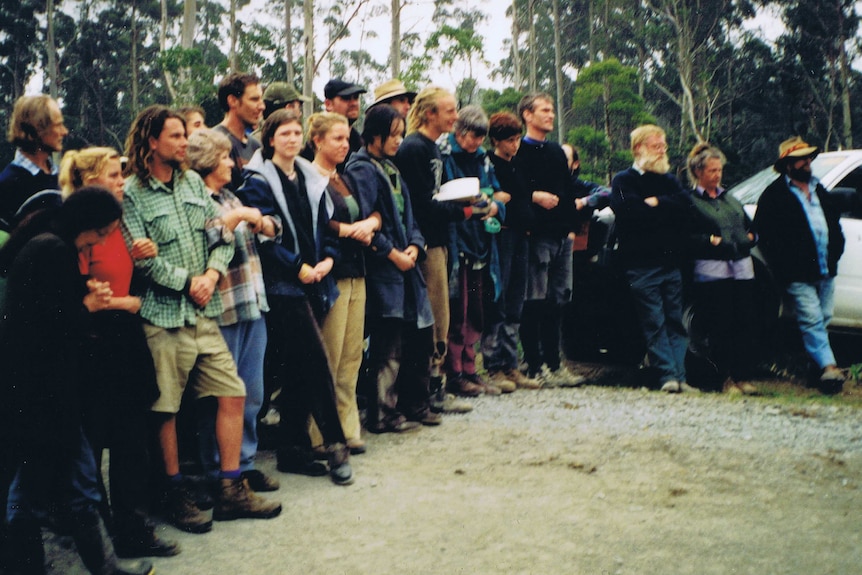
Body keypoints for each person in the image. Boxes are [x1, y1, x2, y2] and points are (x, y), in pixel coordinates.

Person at [122, 105, 281, 533]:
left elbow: (219, 235)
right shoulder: (132, 193)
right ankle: (172, 493)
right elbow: (141, 257)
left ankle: (230, 489)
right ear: (152, 142)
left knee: (232, 393)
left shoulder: (193, 182)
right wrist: (187, 280)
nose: (183, 143)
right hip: (162, 316)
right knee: (166, 408)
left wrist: (210, 274)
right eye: (174, 136)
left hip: (203, 312)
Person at [0, 187, 154, 575]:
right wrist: (89, 305)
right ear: (87, 225)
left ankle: (40, 564)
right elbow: (54, 324)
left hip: (33, 392)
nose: (100, 241)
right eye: (101, 233)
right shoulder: (56, 250)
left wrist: (85, 294)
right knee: (58, 484)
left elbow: (42, 305)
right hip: (47, 394)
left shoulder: (44, 242)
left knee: (39, 485)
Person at [58, 148, 181, 558]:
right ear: (91, 180)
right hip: (97, 343)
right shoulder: (79, 230)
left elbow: (121, 277)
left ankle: (130, 528)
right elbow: (80, 294)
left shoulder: (119, 223)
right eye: (113, 175)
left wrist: (140, 256)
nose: (121, 181)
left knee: (131, 439)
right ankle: (100, 532)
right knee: (96, 443)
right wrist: (124, 304)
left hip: (126, 338)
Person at [236, 109, 354, 485]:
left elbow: (326, 226)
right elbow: (262, 236)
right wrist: (297, 266)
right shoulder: (256, 180)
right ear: (270, 139)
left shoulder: (309, 176)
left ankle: (293, 448)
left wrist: (328, 259)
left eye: (296, 132)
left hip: (314, 279)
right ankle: (336, 446)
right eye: (283, 132)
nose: (291, 138)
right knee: (314, 361)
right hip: (280, 284)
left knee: (292, 367)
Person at [186, 128, 282, 494]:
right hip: (220, 309)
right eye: (225, 156)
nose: (232, 162)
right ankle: (217, 469)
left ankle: (243, 464)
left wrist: (260, 219)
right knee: (220, 395)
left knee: (252, 392)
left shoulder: (229, 196)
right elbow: (209, 238)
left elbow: (274, 228)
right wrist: (242, 216)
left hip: (251, 305)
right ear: (208, 161)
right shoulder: (197, 201)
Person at [343, 104, 434, 432]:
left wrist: (414, 245)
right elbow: (364, 222)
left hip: (405, 269)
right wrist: (392, 253)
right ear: (374, 137)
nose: (398, 141)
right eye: (392, 135)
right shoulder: (363, 170)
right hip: (384, 273)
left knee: (411, 340)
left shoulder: (390, 168)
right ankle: (382, 414)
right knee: (387, 347)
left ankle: (406, 407)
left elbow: (409, 218)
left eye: (401, 134)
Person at [306, 112, 381, 452]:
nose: (344, 144)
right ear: (317, 140)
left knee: (351, 354)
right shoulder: (307, 178)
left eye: (347, 139)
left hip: (357, 270)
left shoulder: (345, 177)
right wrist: (349, 230)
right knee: (329, 354)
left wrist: (371, 224)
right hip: (331, 275)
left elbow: (373, 210)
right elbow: (318, 222)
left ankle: (348, 426)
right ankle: (318, 432)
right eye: (337, 138)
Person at [753, 136, 846, 393]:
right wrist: (785, 266)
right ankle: (829, 368)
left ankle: (816, 374)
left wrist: (835, 253)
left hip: (825, 269)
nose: (807, 162)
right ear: (787, 164)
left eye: (808, 158)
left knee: (824, 317)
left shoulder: (820, 190)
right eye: (801, 159)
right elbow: (766, 236)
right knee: (812, 318)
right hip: (796, 274)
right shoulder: (774, 195)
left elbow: (835, 227)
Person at [610, 124, 694, 393]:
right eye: (657, 146)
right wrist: (664, 208)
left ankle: (680, 378)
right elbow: (629, 212)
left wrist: (656, 203)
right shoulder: (623, 181)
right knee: (654, 322)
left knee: (676, 323)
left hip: (671, 263)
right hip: (640, 265)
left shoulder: (669, 180)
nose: (662, 151)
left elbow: (687, 205)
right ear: (638, 149)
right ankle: (667, 376)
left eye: (663, 146)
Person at [439, 105, 511, 395]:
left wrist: (496, 206)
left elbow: (498, 191)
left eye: (481, 138)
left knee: (477, 310)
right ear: (459, 132)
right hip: (459, 241)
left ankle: (471, 369)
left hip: (483, 242)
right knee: (458, 310)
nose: (476, 143)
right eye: (471, 137)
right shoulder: (445, 156)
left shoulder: (483, 159)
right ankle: (454, 372)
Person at [515, 93, 584, 387]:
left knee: (558, 301)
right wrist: (533, 198)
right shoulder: (518, 151)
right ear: (527, 115)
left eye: (552, 110)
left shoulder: (557, 152)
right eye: (544, 110)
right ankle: (533, 364)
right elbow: (513, 189)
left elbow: (568, 189)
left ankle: (556, 365)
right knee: (534, 301)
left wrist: (570, 226)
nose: (551, 115)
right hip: (536, 237)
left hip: (561, 238)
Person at [686, 143, 759, 394]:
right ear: (698, 172)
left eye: (720, 170)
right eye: (712, 171)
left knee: (744, 324)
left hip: (741, 269)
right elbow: (686, 236)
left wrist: (751, 238)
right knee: (719, 327)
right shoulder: (691, 202)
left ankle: (742, 377)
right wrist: (709, 241)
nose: (717, 175)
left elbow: (750, 227)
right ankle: (722, 380)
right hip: (712, 273)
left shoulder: (731, 199)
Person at [484, 112, 541, 390]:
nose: (515, 144)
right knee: (500, 298)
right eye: (509, 140)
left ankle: (511, 365)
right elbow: (497, 197)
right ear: (496, 140)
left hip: (522, 236)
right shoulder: (490, 164)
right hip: (502, 237)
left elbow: (517, 196)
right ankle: (493, 366)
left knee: (517, 300)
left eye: (517, 138)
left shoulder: (519, 165)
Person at [0, 95, 67, 232]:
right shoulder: (9, 183)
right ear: (37, 129)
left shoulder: (62, 177)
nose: (64, 132)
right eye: (58, 125)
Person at [214, 72, 266, 191]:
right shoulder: (215, 141)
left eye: (261, 99)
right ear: (232, 101)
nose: (262, 106)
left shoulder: (256, 145)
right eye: (254, 99)